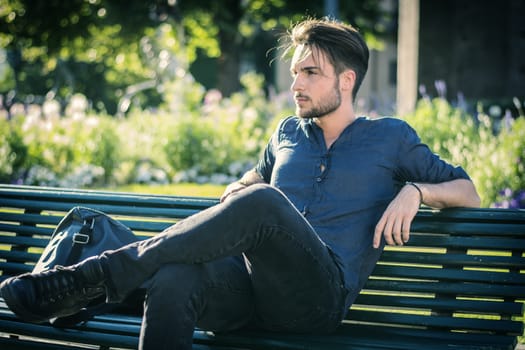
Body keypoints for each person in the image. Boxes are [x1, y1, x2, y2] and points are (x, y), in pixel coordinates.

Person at [0, 18, 480, 350]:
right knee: (175, 275)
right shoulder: (287, 133)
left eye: (310, 72)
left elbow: (469, 191)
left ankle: (91, 278)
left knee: (264, 201)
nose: (297, 84)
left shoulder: (390, 138)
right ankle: (100, 277)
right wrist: (239, 188)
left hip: (317, 300)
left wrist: (416, 191)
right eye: (295, 73)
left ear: (347, 80)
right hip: (251, 291)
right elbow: (254, 182)